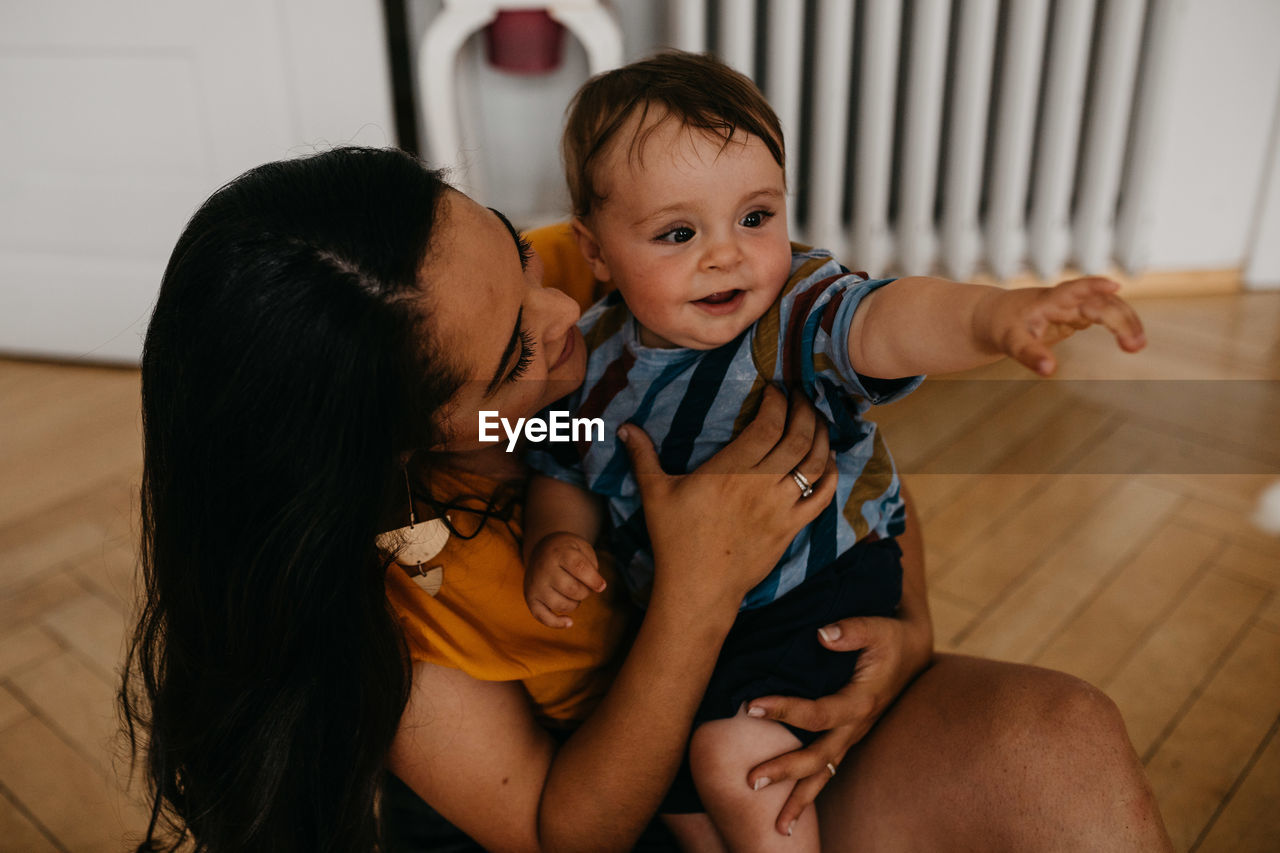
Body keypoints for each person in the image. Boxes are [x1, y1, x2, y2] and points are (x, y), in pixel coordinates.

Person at [119, 144, 1173, 853]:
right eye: (511, 354)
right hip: (641, 804)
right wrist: (696, 589)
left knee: (1063, 736)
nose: (559, 312)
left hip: (778, 683)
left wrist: (908, 623)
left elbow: (822, 398)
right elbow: (557, 826)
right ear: (390, 448)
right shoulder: (395, 595)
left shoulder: (590, 267)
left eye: (508, 244)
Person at [518, 52, 1149, 852]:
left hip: (820, 592)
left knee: (735, 759)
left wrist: (994, 316)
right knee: (674, 796)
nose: (727, 254)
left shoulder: (793, 311)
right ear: (597, 251)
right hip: (695, 630)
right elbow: (558, 459)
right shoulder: (588, 361)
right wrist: (554, 539)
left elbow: (888, 319)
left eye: (756, 217)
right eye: (678, 233)